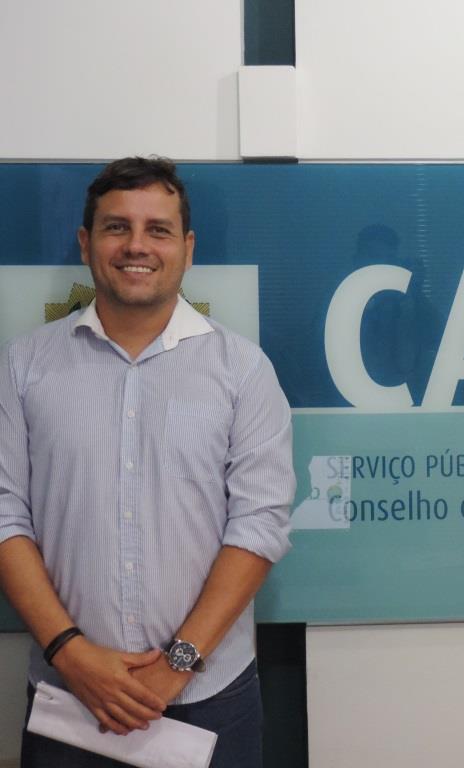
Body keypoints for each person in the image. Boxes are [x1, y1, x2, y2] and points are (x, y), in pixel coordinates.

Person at [0, 157, 295, 767]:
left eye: (158, 229)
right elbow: (5, 514)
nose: (137, 245)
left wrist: (176, 665)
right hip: (69, 697)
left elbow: (259, 524)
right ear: (86, 243)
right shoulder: (23, 366)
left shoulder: (243, 371)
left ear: (187, 248)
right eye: (117, 227)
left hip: (210, 697)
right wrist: (72, 654)